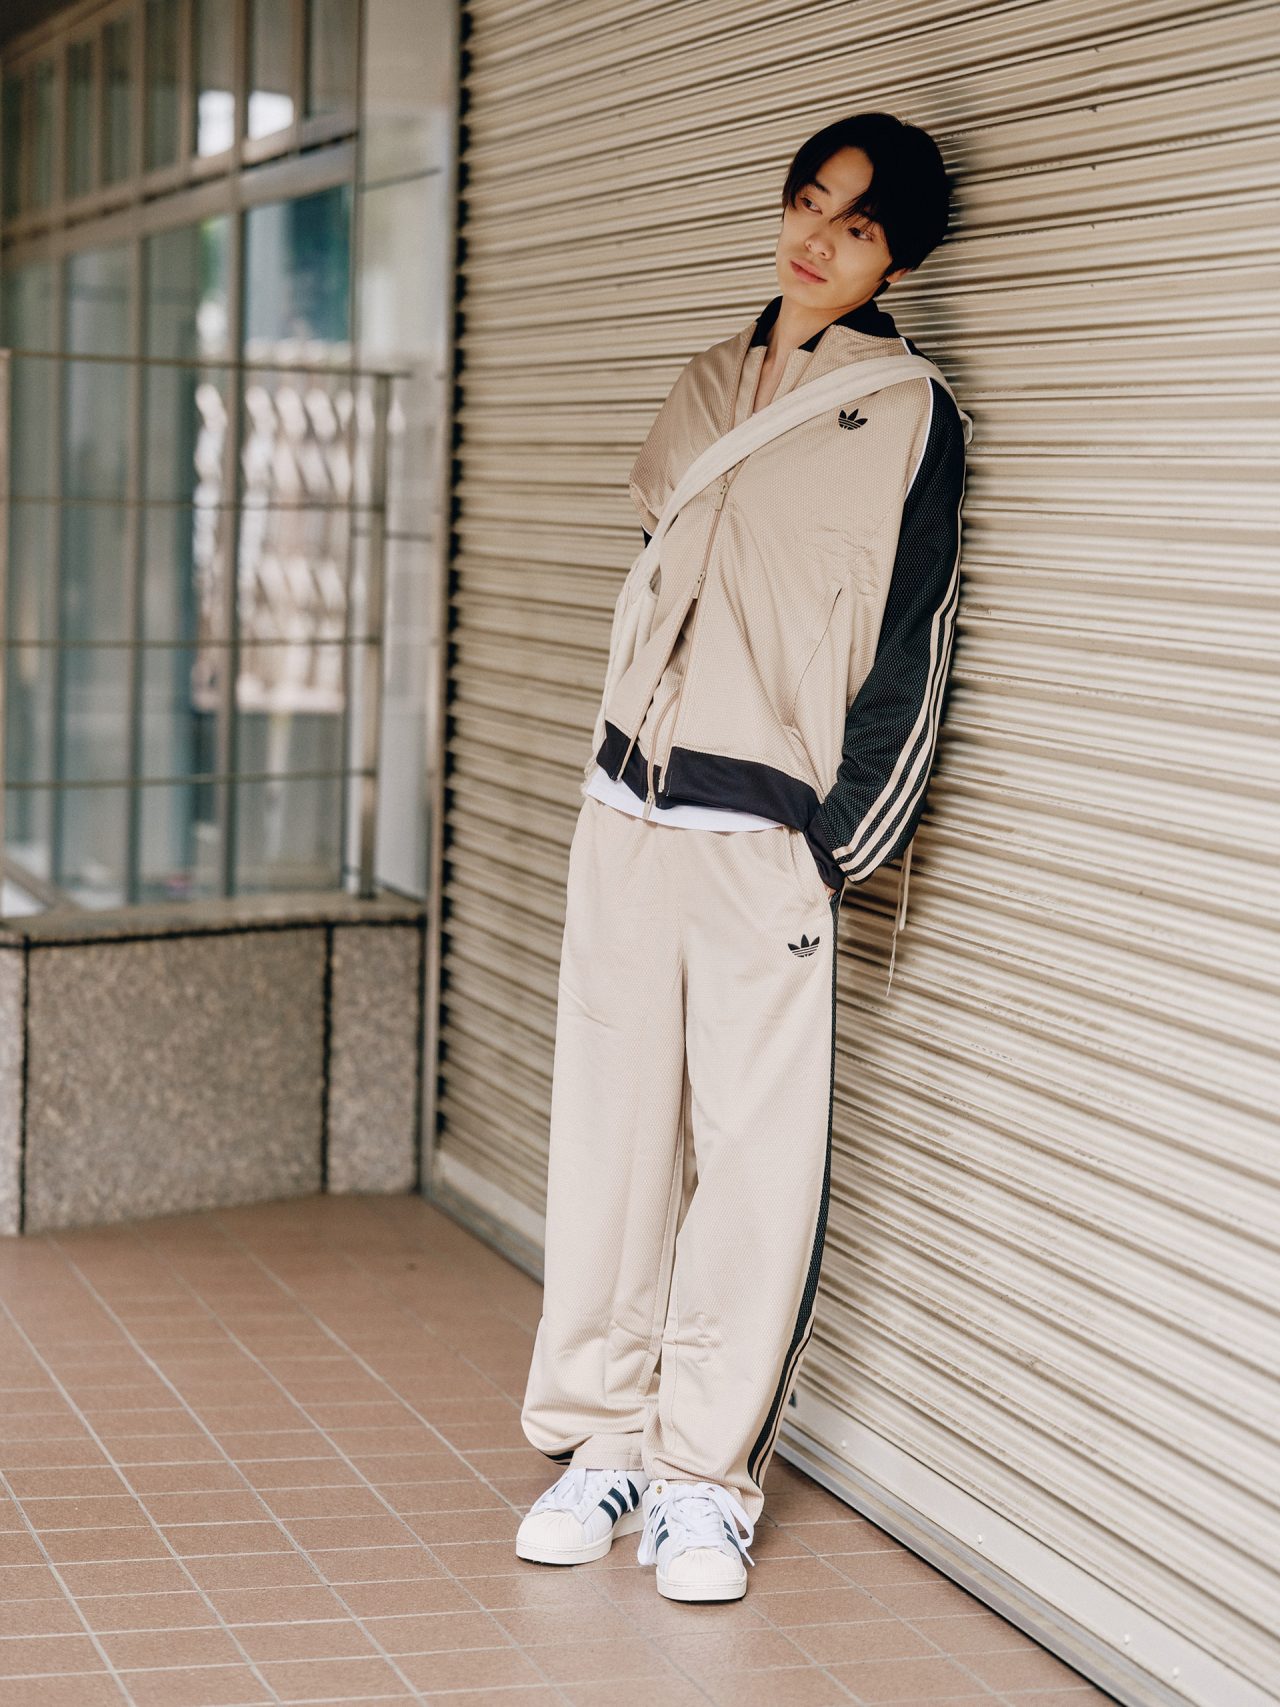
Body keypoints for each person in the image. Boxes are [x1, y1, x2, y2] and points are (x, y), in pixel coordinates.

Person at [517, 112, 970, 1603]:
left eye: (858, 224)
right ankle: (603, 1442)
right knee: (609, 1139)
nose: (819, 238)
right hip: (625, 816)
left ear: (897, 256)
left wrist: (831, 853)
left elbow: (913, 651)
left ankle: (705, 1479)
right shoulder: (708, 380)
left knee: (755, 1171)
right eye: (808, 203)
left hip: (762, 842)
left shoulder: (910, 414)